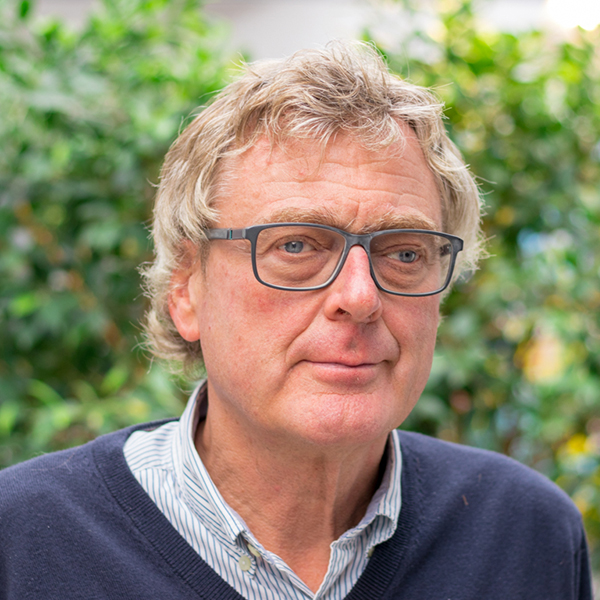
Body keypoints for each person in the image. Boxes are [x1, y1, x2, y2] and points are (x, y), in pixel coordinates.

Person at [0, 41, 592, 600]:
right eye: (296, 245)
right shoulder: (24, 542)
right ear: (186, 288)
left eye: (405, 253)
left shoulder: (524, 536)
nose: (359, 297)